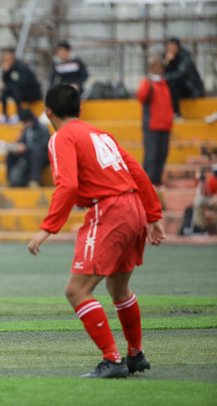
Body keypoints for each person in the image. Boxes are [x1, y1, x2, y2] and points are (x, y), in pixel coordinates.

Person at [28, 84, 166, 379]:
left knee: (77, 290)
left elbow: (69, 186)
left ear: (48, 112)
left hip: (109, 210)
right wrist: (152, 215)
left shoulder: (61, 137)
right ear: (79, 109)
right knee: (119, 289)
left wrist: (47, 228)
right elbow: (136, 172)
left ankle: (112, 360)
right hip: (133, 207)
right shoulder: (100, 133)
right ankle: (135, 354)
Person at [136, 58, 174, 186]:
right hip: (152, 125)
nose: (158, 69)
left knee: (162, 155)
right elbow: (141, 97)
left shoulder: (165, 83)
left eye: (160, 67)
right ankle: (147, 182)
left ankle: (157, 180)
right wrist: (148, 83)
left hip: (165, 126)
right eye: (155, 67)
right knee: (151, 156)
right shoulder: (147, 82)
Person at [0, 108, 50, 188]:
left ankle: (35, 180)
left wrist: (27, 147)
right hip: (28, 154)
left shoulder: (42, 128)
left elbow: (44, 144)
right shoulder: (26, 130)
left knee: (36, 153)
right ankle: (8, 180)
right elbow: (22, 142)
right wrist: (16, 145)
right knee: (10, 155)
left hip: (42, 155)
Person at [162, 38, 205, 120]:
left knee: (172, 82)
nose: (170, 48)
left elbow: (181, 74)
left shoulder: (185, 56)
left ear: (178, 47)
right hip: (175, 89)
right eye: (168, 46)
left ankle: (176, 113)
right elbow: (160, 73)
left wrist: (164, 78)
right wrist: (166, 63)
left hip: (189, 88)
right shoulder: (166, 57)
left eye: (172, 46)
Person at [0, 48, 42, 123]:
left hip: (32, 93)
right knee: (5, 91)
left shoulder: (21, 66)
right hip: (20, 92)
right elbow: (6, 83)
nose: (6, 60)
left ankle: (18, 115)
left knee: (14, 88)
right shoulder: (8, 67)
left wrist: (10, 85)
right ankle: (4, 115)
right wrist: (5, 72)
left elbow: (23, 82)